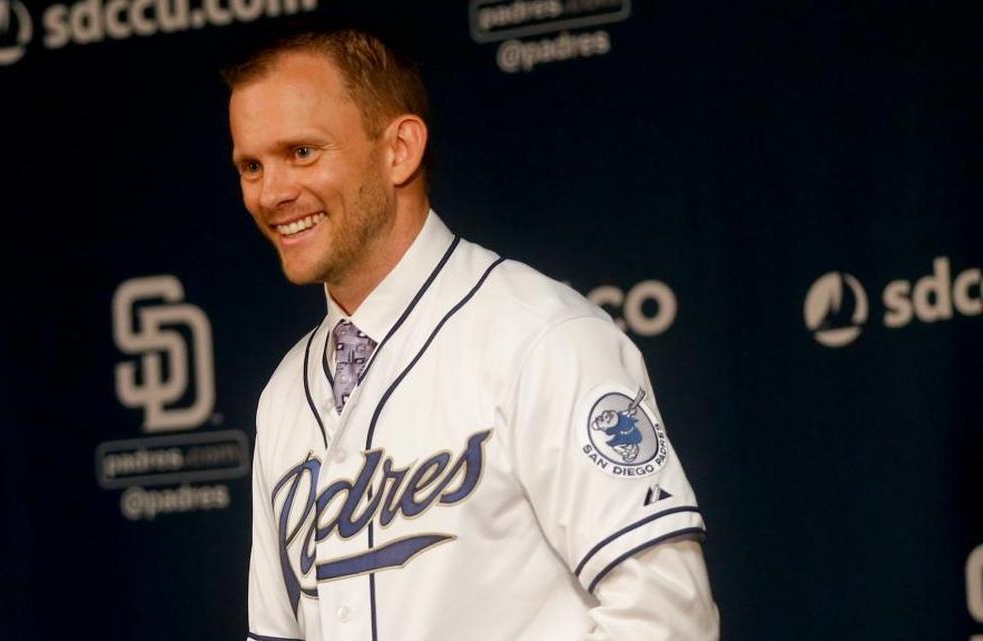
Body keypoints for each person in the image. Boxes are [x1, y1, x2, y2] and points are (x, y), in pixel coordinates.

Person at [225, 28, 719, 641]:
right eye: (251, 165)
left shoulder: (541, 338)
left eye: (301, 152)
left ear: (399, 149)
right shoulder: (283, 397)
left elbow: (666, 614)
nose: (272, 192)